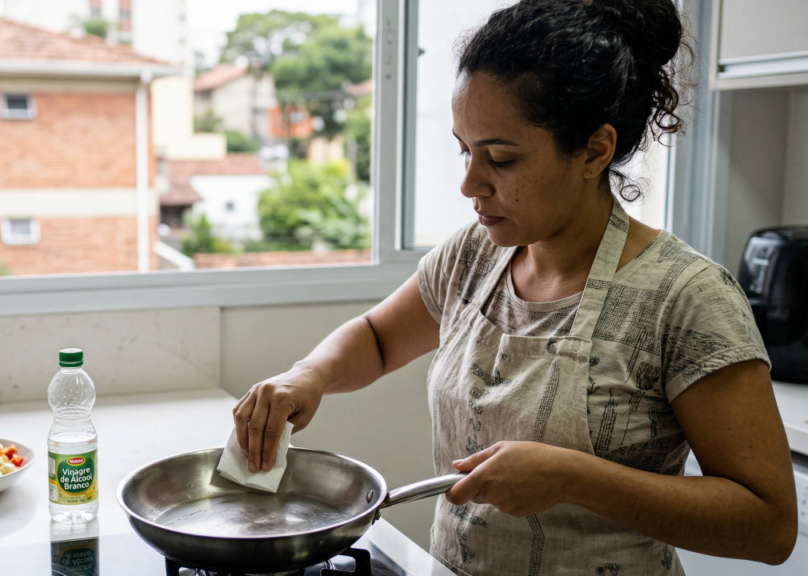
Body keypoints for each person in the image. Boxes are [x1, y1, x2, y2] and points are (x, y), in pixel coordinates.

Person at [231, 0, 799, 573]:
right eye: (464, 149)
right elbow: (378, 338)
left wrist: (573, 478)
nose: (470, 184)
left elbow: (769, 526)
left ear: (595, 150)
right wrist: (309, 375)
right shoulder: (475, 255)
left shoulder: (686, 299)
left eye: (499, 158)